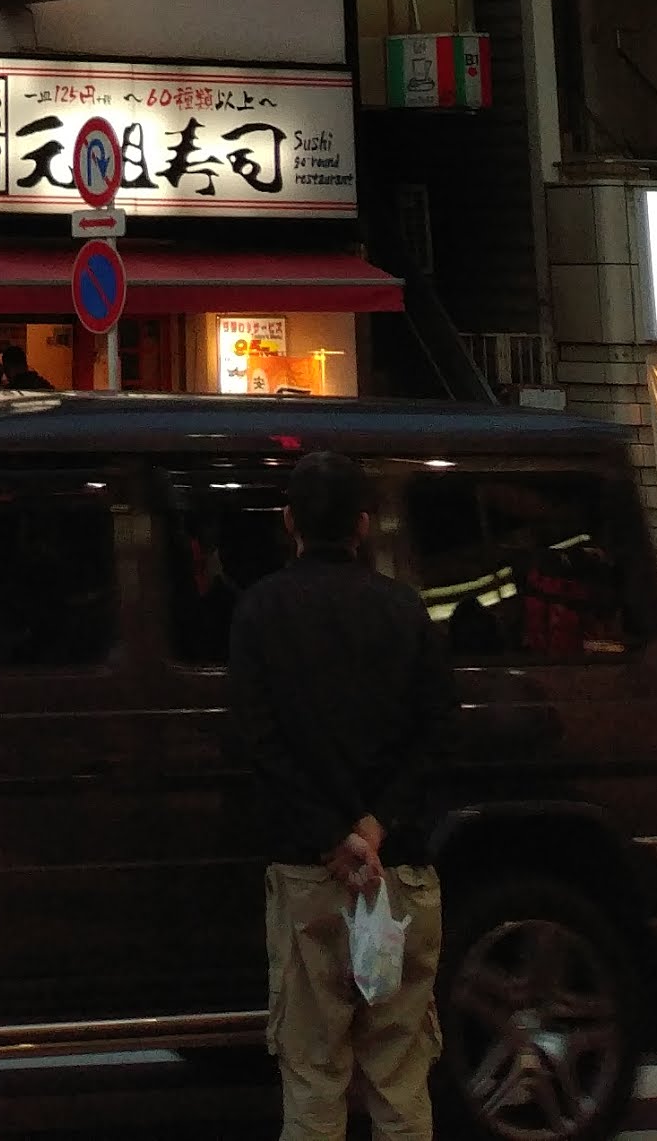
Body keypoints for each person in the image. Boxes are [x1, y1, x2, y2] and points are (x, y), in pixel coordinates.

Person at [223, 446, 455, 1141]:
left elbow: (258, 743)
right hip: (400, 872)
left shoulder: (259, 612)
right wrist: (378, 824)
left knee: (314, 1075)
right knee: (401, 1070)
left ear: (288, 519)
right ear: (363, 523)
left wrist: (334, 836)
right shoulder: (405, 610)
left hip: (309, 875)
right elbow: (439, 731)